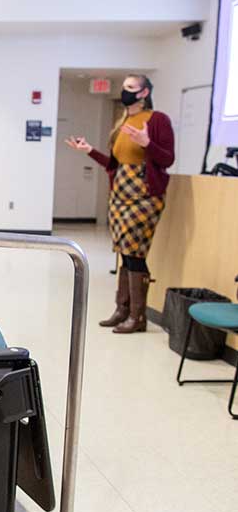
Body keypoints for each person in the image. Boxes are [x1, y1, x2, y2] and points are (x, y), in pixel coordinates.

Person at [65, 74, 174, 334]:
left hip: (145, 196)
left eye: (130, 88)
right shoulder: (123, 120)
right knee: (125, 252)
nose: (124, 91)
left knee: (135, 252)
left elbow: (167, 159)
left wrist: (148, 143)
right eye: (123, 87)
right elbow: (114, 165)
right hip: (120, 194)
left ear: (144, 92)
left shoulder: (157, 120)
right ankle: (122, 309)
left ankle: (137, 316)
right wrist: (89, 150)